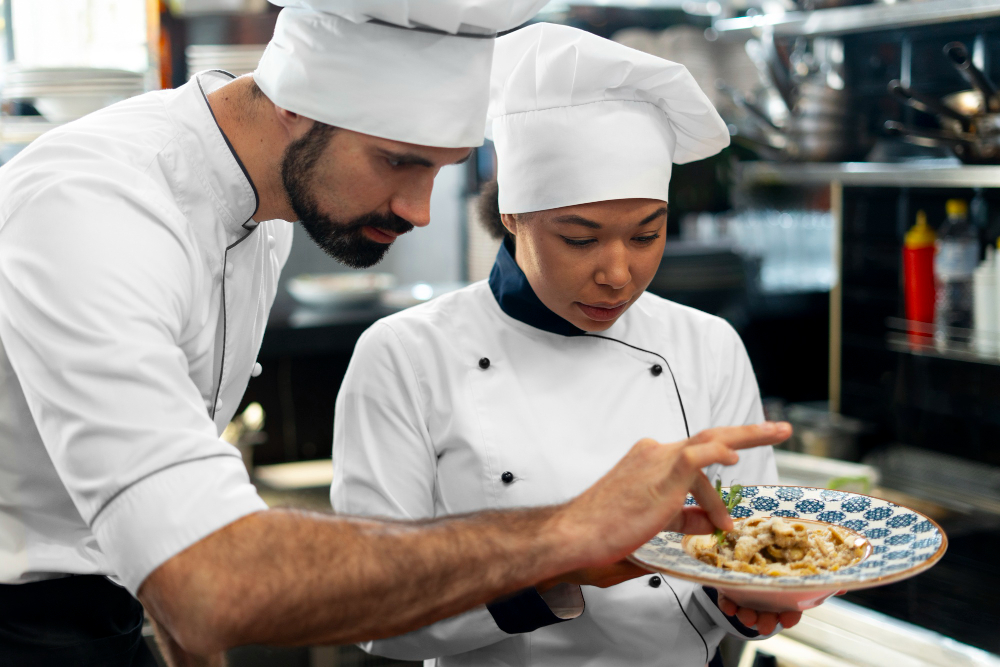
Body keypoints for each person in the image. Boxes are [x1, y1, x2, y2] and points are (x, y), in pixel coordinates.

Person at [0, 1, 793, 665]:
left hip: (107, 613)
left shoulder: (263, 213)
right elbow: (207, 582)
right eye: (399, 162)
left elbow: (167, 531)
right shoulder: (95, 207)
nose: (418, 210)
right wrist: (567, 534)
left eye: (441, 170)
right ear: (295, 104)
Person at [331, 24, 798, 667]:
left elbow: (746, 554)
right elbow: (369, 609)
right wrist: (558, 571)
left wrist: (748, 599)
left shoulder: (707, 346)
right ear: (513, 216)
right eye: (580, 239)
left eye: (646, 235)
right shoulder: (408, 355)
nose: (617, 273)